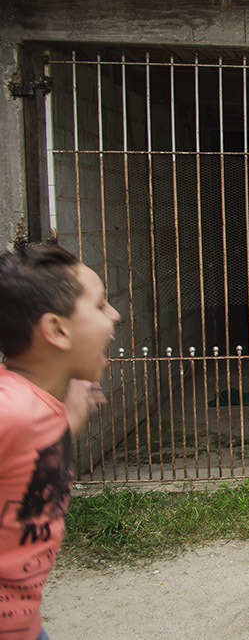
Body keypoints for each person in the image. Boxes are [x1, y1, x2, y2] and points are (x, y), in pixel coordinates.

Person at [0, 241, 121, 640]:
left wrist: (70, 416)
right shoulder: (10, 408)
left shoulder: (40, 403)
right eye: (101, 305)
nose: (115, 315)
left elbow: (28, 464)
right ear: (57, 330)